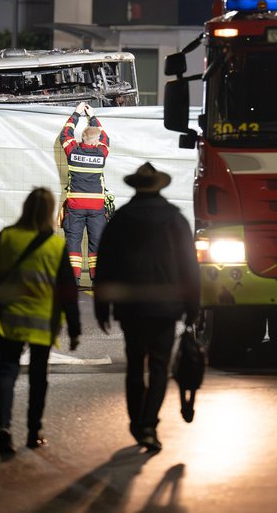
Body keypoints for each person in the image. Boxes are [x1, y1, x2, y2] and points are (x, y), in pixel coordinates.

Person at [94, 163, 200, 452]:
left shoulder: (121, 219)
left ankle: (135, 422)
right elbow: (190, 267)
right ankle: (149, 423)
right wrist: (193, 305)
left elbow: (105, 265)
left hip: (131, 306)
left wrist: (102, 307)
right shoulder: (175, 220)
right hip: (166, 306)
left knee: (134, 364)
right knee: (158, 366)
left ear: (135, 186)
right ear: (160, 187)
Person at [0, 187, 81, 455]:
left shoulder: (8, 237)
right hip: (43, 323)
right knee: (38, 378)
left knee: (8, 371)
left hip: (9, 319)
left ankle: (4, 429)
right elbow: (68, 290)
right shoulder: (56, 245)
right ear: (49, 212)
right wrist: (75, 328)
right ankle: (34, 432)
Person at [59, 101, 110, 285]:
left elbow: (65, 134)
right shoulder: (101, 153)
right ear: (95, 142)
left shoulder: (73, 151)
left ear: (82, 139)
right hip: (96, 207)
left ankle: (74, 278)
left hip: (75, 206)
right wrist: (93, 116)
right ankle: (97, 278)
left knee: (73, 240)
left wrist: (76, 113)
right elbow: (105, 138)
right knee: (97, 242)